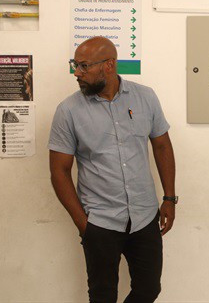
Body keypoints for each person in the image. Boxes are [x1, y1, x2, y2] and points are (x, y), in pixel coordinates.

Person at [48, 37, 177, 303]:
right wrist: (84, 225)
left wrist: (169, 198)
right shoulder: (68, 111)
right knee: (102, 296)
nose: (77, 73)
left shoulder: (145, 97)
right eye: (75, 65)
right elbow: (59, 171)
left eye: (84, 66)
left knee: (149, 289)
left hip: (144, 216)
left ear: (108, 65)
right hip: (100, 221)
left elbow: (162, 145)